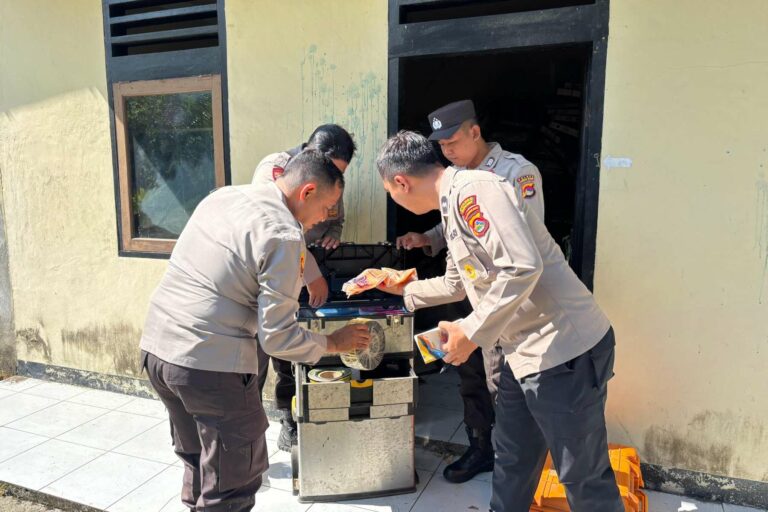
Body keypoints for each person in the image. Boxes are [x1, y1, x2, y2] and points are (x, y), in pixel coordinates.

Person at [377, 131, 623, 512]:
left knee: (581, 476)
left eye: (389, 192)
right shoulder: (450, 203)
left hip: (562, 350)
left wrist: (470, 333)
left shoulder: (476, 190)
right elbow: (458, 284)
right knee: (512, 457)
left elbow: (523, 267)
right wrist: (400, 291)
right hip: (519, 352)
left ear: (401, 182)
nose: (394, 198)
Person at [139, 149, 371, 512]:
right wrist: (333, 342)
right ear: (306, 192)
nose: (326, 218)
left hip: (158, 351)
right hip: (209, 366)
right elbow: (277, 337)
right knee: (231, 485)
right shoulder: (283, 234)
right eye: (328, 207)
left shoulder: (225, 196)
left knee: (200, 462)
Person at [396, 99, 545, 483]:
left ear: (475, 132)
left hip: (505, 302)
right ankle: (481, 447)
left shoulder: (516, 172)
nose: (447, 152)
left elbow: (523, 243)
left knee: (503, 383)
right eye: (441, 147)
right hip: (466, 290)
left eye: (453, 142)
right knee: (470, 375)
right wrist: (427, 238)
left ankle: (512, 462)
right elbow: (456, 229)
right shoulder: (455, 179)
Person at [252, 124, 356, 451]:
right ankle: (277, 422)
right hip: (275, 270)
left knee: (297, 346)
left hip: (309, 266)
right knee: (269, 351)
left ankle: (303, 415)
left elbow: (335, 217)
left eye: (339, 174)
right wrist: (311, 274)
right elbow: (280, 229)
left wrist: (334, 234)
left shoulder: (330, 179)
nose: (334, 179)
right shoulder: (276, 169)